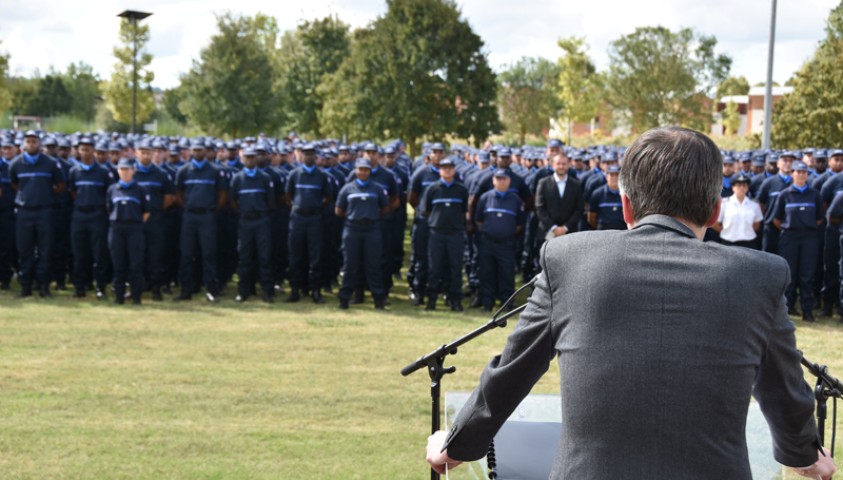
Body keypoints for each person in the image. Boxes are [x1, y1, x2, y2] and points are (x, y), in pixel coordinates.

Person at [426, 127, 834, 480]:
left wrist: (457, 444)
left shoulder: (567, 258)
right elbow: (784, 385)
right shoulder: (760, 275)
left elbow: (513, 370)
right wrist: (803, 455)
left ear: (626, 207)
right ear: (714, 212)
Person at [8, 130, 66, 298]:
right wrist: (28, 195)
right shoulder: (16, 164)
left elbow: (61, 184)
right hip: (24, 212)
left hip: (44, 211)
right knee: (24, 250)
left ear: (39, 143)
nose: (31, 144)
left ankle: (43, 287)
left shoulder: (50, 163)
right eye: (28, 141)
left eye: (34, 141)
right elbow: (14, 184)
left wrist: (45, 194)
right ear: (24, 144)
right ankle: (26, 286)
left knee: (45, 250)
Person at [175, 139, 229, 302]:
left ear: (206, 152)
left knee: (209, 253)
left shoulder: (214, 171)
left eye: (201, 150)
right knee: (186, 253)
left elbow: (223, 195)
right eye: (195, 150)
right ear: (191, 151)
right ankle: (186, 290)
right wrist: (189, 207)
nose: (198, 152)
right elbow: (178, 194)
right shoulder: (183, 171)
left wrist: (212, 209)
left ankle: (212, 290)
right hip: (189, 216)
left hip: (207, 216)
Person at [773, 161, 824, 321]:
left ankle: (807, 311)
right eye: (798, 172)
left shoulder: (815, 194)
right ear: (792, 173)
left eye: (804, 172)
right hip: (790, 238)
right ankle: (787, 310)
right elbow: (776, 219)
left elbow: (819, 219)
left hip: (809, 238)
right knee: (790, 274)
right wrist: (791, 228)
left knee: (807, 275)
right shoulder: (784, 194)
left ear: (807, 175)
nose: (801, 175)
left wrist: (805, 227)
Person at [334, 158, 389, 309]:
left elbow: (385, 208)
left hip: (372, 229)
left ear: (370, 171)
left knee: (373, 265)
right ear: (356, 170)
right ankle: (344, 298)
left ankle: (378, 300)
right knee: (350, 265)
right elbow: (339, 210)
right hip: (352, 229)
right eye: (360, 169)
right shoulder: (347, 188)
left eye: (366, 169)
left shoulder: (377, 188)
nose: (363, 172)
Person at [285, 143, 332, 303]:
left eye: (312, 154)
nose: (309, 156)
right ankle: (295, 290)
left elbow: (328, 198)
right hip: (298, 218)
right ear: (301, 156)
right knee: (295, 255)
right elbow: (288, 195)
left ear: (316, 156)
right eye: (306, 154)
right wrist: (297, 207)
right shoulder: (294, 174)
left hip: (315, 218)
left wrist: (316, 208)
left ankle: (316, 291)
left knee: (315, 256)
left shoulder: (322, 175)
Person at [67, 136, 114, 299]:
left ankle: (100, 286)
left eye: (88, 149)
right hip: (79, 214)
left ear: (93, 151)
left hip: (98, 215)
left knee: (99, 253)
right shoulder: (74, 171)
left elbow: (109, 194)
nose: (85, 152)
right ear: (78, 152)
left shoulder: (103, 172)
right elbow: (73, 193)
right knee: (79, 252)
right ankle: (80, 286)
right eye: (82, 149)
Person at [474, 169, 525, 311]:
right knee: (486, 273)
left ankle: (507, 304)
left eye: (504, 179)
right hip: (488, 243)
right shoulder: (485, 198)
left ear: (509, 181)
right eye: (498, 178)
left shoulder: (516, 200)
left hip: (507, 244)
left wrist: (505, 233)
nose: (501, 181)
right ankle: (487, 303)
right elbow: (478, 220)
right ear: (493, 180)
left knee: (507, 274)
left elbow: (520, 224)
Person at [423, 157, 469, 312]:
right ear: (439, 170)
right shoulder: (432, 189)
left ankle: (455, 300)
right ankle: (432, 300)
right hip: (437, 233)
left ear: (454, 170)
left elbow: (464, 211)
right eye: (444, 167)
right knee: (435, 268)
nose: (447, 170)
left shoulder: (461, 190)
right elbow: (427, 210)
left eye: (450, 167)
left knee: (455, 268)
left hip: (455, 233)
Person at [230, 147, 275, 303]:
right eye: (247, 157)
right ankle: (243, 291)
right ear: (243, 159)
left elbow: (270, 202)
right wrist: (243, 213)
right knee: (244, 257)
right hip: (245, 221)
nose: (249, 160)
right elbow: (232, 202)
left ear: (256, 159)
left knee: (264, 257)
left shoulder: (265, 178)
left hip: (262, 220)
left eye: (252, 157)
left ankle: (267, 292)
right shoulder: (237, 178)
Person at [134, 140, 176, 301]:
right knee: (137, 253)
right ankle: (140, 285)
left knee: (156, 254)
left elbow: (169, 197)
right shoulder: (132, 172)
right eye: (142, 152)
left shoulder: (160, 174)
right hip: (136, 220)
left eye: (148, 152)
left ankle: (156, 288)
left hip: (155, 219)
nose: (145, 155)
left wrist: (155, 210)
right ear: (136, 153)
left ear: (152, 154)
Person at [107, 158, 150, 305]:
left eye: (127, 169)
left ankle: (136, 297)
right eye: (122, 169)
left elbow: (146, 212)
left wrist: (135, 223)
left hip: (134, 229)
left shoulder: (141, 190)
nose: (124, 172)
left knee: (135, 265)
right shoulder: (112, 189)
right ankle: (119, 297)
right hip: (117, 229)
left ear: (133, 170)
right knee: (118, 264)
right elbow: (109, 209)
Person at [535, 153, 584, 240]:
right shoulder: (543, 183)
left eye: (564, 164)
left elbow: (579, 209)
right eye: (558, 164)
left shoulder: (576, 185)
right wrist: (554, 228)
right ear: (553, 165)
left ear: (568, 165)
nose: (561, 166)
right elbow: (540, 208)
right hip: (547, 232)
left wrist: (565, 227)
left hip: (570, 232)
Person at [712, 173, 762, 249]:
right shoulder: (724, 204)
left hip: (749, 243)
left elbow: (757, 225)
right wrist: (726, 231)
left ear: (747, 188)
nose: (742, 188)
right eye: (738, 185)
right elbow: (715, 223)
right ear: (733, 187)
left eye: (744, 185)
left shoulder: (754, 205)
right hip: (728, 243)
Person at [587, 164, 625, 230]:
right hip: (603, 233)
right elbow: (591, 217)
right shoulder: (597, 194)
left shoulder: (627, 195)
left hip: (622, 231)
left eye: (617, 175)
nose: (614, 178)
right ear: (606, 176)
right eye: (612, 175)